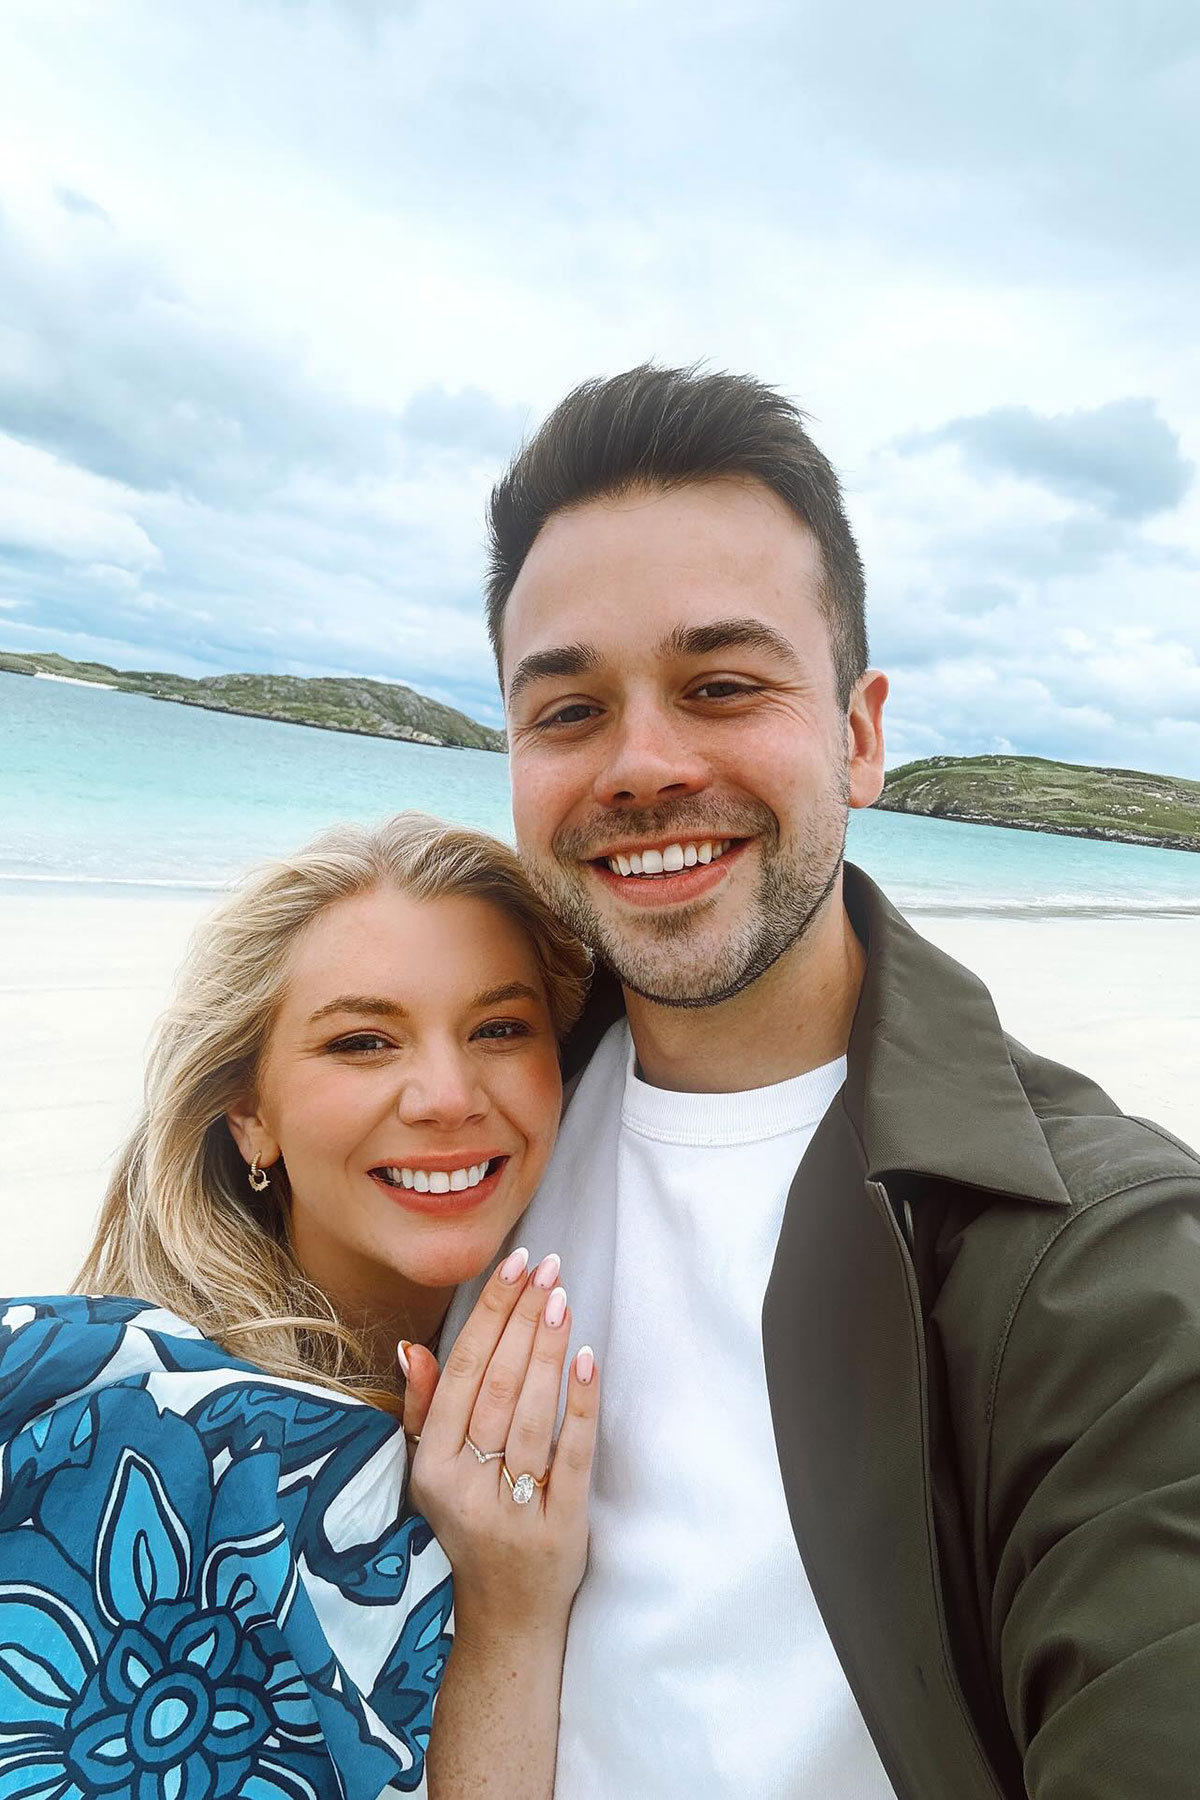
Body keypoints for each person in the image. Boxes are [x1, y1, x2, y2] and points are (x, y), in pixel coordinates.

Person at [442, 364, 1200, 1800]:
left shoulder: (1102, 1264)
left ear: (858, 732)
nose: (644, 764)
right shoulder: (465, 1124)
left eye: (722, 685)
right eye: (568, 710)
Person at [0, 812, 600, 1799]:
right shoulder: (140, 1434)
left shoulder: (555, 1389)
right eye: (363, 1042)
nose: (447, 1096)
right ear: (251, 1113)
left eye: (499, 1028)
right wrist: (509, 1617)